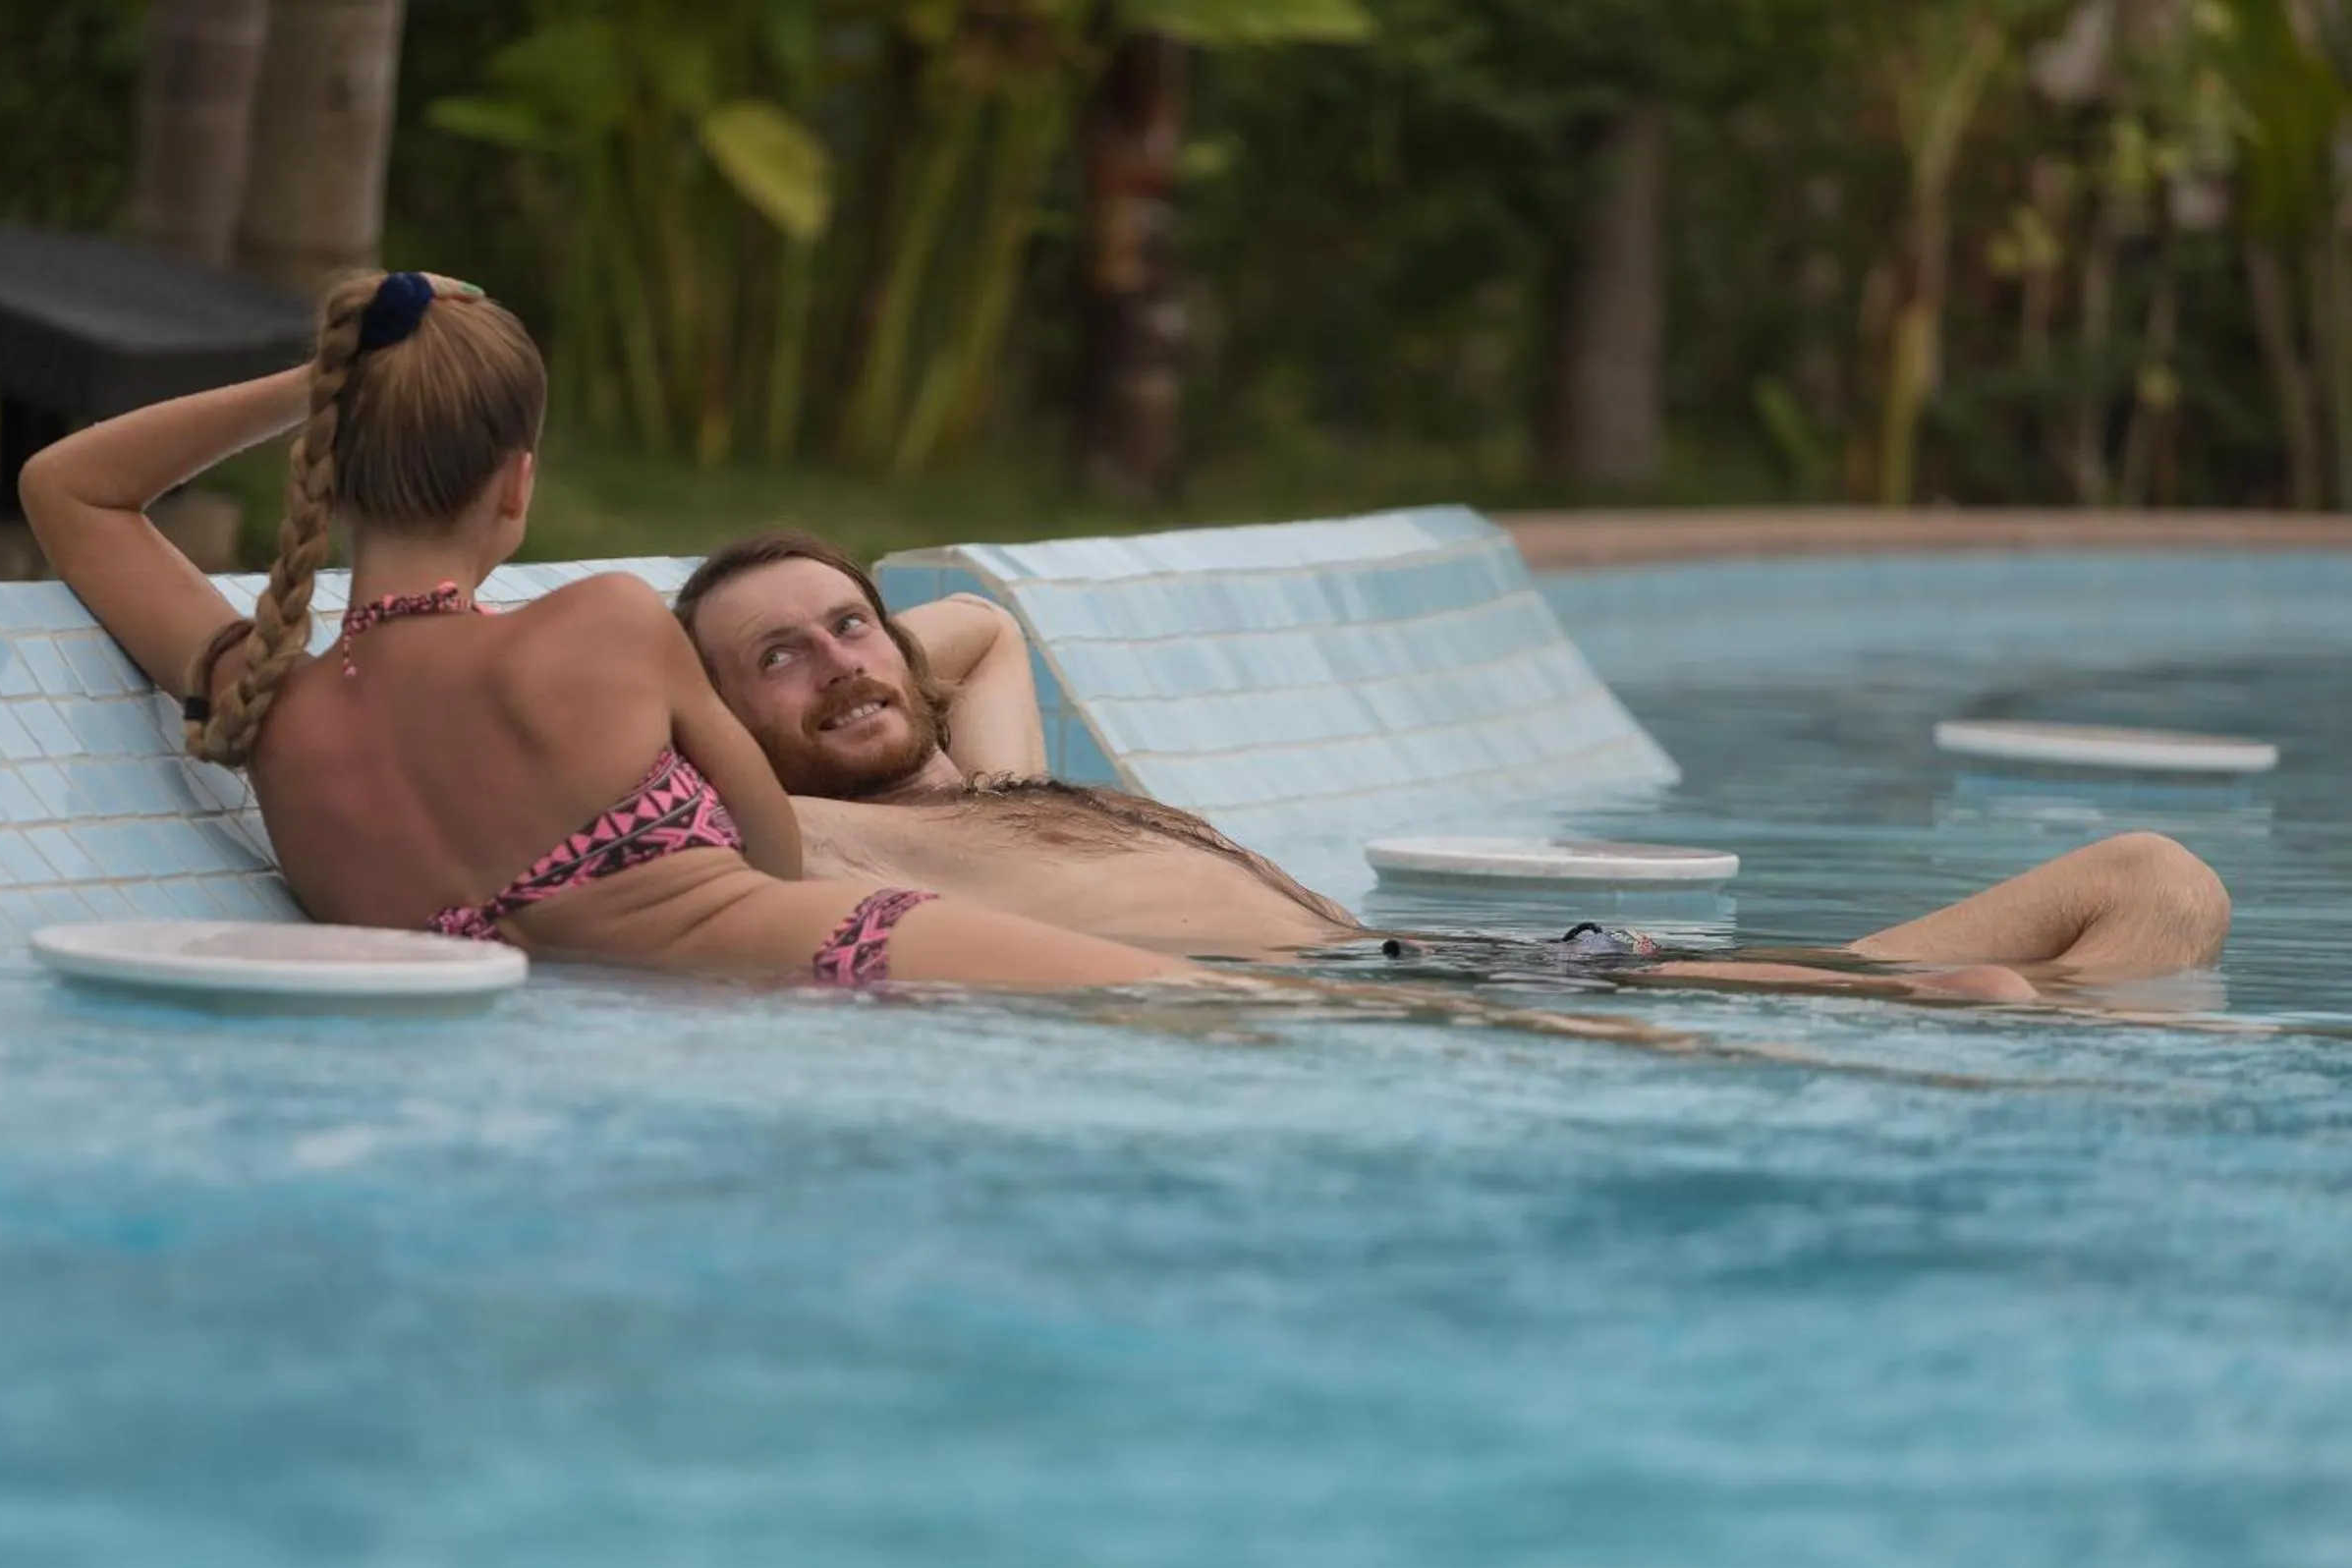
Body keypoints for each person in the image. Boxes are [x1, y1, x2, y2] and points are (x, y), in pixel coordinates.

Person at [18, 271, 1193, 991]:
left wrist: (320, 383)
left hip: (607, 1038)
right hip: (839, 957)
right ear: (517, 485)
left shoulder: (269, 708)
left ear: (333, 462)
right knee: (1257, 1019)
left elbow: (69, 488)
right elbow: (774, 853)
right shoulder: (606, 624)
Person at [672, 530, 2235, 999]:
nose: (850, 665)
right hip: (1408, 1013)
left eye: (852, 627)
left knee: (2156, 882)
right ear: (727, 724)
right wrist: (740, 718)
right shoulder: (814, 840)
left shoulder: (989, 777)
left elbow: (980, 629)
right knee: (1990, 1000)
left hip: (1490, 968)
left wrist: (856, 656)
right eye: (784, 661)